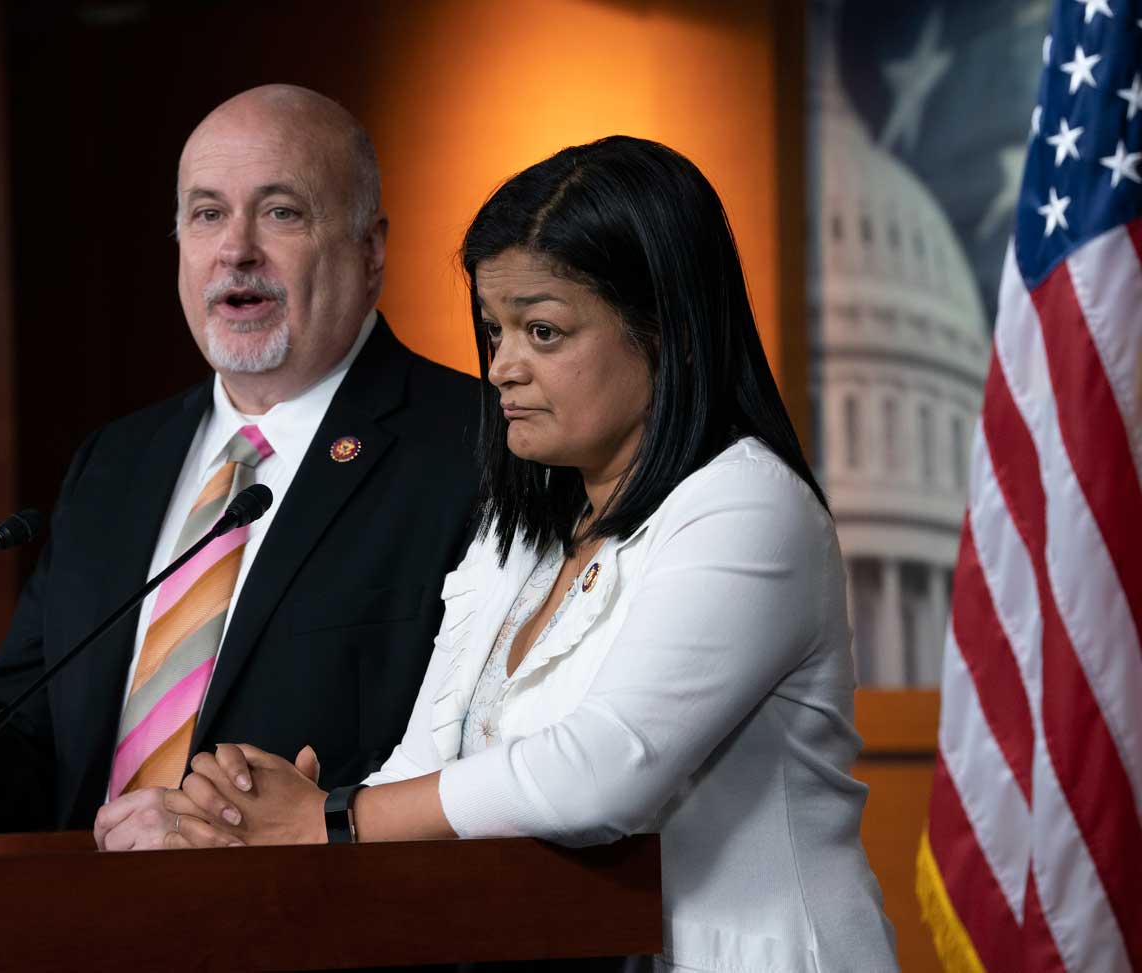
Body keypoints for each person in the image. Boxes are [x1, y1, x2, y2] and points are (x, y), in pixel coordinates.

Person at [161, 137, 898, 971]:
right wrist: (273, 810)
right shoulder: (522, 530)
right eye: (494, 329)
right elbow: (425, 764)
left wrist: (334, 819)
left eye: (542, 331)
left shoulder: (747, 504)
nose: (503, 367)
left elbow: (601, 775)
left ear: (669, 332)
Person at [0, 84, 479, 847]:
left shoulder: (475, 447)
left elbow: (481, 760)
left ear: (370, 249)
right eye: (206, 214)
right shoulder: (117, 464)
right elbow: (26, 748)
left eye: (280, 212)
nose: (235, 249)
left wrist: (252, 831)